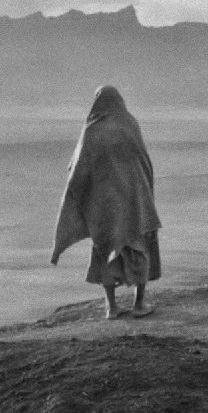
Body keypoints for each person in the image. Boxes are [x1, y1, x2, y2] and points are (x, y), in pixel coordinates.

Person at [51, 85, 162, 320]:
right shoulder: (130, 124)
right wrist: (146, 195)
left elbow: (77, 169)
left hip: (105, 205)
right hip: (134, 200)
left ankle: (111, 307)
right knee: (138, 248)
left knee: (106, 249)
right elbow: (144, 163)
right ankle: (139, 304)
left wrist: (82, 197)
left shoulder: (92, 130)